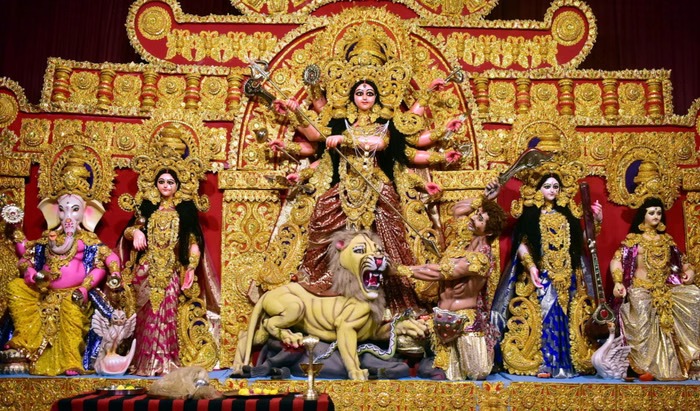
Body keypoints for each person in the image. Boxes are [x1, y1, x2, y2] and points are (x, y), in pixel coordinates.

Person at [272, 78, 462, 315]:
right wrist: (296, 111)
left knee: (390, 237)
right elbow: (315, 133)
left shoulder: (384, 125)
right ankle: (324, 287)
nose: (364, 97)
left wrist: (345, 139)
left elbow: (379, 144)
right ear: (352, 97)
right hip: (345, 186)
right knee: (321, 216)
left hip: (376, 186)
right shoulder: (340, 123)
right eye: (359, 92)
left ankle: (393, 301)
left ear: (376, 98)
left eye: (369, 93)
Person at [6, 148, 121, 376]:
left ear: (86, 212)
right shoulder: (50, 238)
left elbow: (108, 258)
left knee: (71, 313)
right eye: (63, 209)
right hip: (44, 290)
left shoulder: (87, 239)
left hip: (75, 293)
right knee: (15, 287)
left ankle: (70, 361)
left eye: (75, 209)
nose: (68, 215)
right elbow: (26, 254)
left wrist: (111, 274)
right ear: (54, 212)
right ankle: (24, 341)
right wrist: (29, 269)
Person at [494, 171, 603, 378]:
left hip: (568, 274)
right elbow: (522, 244)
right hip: (542, 273)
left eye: (555, 186)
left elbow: (582, 242)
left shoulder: (567, 215)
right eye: (547, 186)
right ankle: (545, 363)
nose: (552, 190)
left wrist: (596, 221)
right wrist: (531, 266)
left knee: (568, 317)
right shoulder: (531, 215)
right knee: (545, 314)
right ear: (538, 190)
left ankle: (567, 363)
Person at [397, 181, 507, 380]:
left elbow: (439, 272)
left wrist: (399, 269)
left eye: (480, 218)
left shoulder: (480, 259)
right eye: (476, 213)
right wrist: (483, 199)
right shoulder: (463, 240)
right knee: (406, 342)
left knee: (476, 373)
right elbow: (457, 210)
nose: (472, 217)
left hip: (463, 321)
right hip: (440, 315)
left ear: (488, 232)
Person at [124, 168, 204, 376]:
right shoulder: (147, 208)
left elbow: (193, 242)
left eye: (170, 182)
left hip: (170, 269)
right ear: (155, 185)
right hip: (147, 270)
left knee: (168, 315)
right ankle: (144, 362)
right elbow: (128, 230)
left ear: (177, 186)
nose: (166, 186)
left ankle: (165, 362)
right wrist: (136, 232)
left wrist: (191, 268)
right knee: (146, 316)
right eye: (161, 181)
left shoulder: (183, 211)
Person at [610, 197, 700, 380]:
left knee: (694, 295)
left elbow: (683, 263)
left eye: (659, 212)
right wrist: (618, 282)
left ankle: (690, 360)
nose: (656, 216)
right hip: (641, 289)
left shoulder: (667, 241)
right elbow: (616, 260)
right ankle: (646, 365)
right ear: (643, 215)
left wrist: (689, 273)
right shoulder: (634, 240)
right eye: (651, 212)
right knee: (641, 308)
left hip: (666, 288)